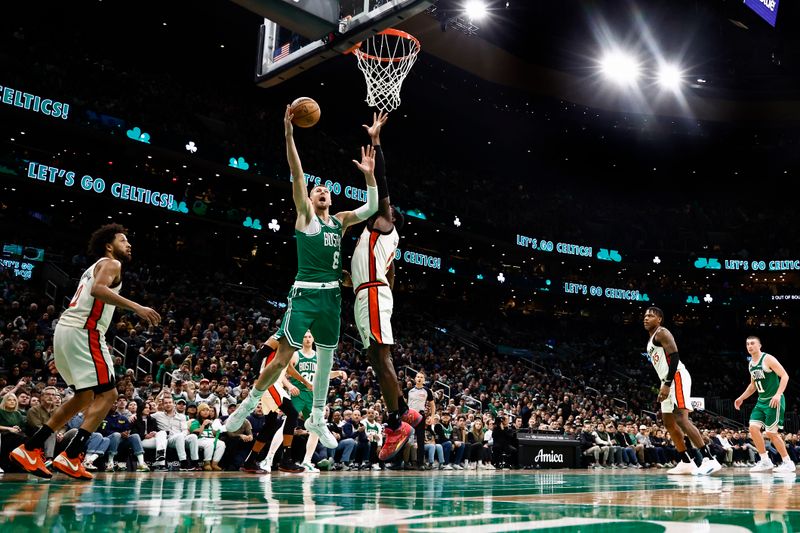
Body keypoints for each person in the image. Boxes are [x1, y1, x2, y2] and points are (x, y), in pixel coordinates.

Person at [225, 106, 379, 451]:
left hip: (332, 298)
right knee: (280, 358)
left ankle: (318, 417)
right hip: (305, 294)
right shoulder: (306, 217)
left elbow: (370, 209)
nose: (323, 191)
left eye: (326, 190)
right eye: (317, 190)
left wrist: (369, 175)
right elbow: (297, 174)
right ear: (309, 199)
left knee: (326, 360)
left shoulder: (339, 221)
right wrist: (289, 133)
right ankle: (247, 405)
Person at [10, 224, 161, 479]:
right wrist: (137, 307)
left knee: (84, 396)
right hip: (84, 330)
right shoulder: (112, 264)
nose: (129, 244)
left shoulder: (95, 267)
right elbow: (98, 290)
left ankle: (32, 448)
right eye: (123, 240)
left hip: (66, 331)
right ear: (109, 246)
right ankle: (71, 455)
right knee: (110, 393)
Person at [344, 111, 420, 462]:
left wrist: (376, 142)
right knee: (375, 355)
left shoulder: (385, 225)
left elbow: (384, 188)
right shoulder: (373, 238)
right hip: (368, 291)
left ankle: (395, 424)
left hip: (373, 294)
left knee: (381, 354)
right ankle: (404, 410)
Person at [643, 306, 721, 476]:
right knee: (668, 423)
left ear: (659, 320)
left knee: (680, 418)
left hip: (676, 377)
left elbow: (675, 356)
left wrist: (667, 383)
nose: (646, 318)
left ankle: (709, 458)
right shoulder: (650, 339)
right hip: (667, 380)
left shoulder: (662, 333)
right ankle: (686, 461)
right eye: (645, 316)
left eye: (650, 316)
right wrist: (664, 383)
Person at [286, 331, 348, 472]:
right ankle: (271, 457)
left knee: (315, 428)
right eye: (304, 337)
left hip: (312, 395)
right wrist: (290, 386)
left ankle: (306, 461)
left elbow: (325, 374)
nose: (307, 339)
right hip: (299, 393)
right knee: (287, 424)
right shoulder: (296, 354)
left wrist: (337, 373)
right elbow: (287, 371)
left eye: (309, 337)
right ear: (301, 339)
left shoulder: (318, 356)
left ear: (313, 339)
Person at [734, 336, 794, 473]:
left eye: (752, 343)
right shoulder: (751, 364)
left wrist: (778, 394)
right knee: (753, 428)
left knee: (771, 433)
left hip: (773, 400)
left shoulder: (768, 359)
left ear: (759, 345)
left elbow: (785, 376)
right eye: (747, 344)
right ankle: (765, 461)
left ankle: (787, 462)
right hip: (761, 401)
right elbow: (753, 385)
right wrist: (741, 398)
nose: (750, 346)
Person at [407, 371, 435, 470]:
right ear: (415, 379)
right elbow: (404, 404)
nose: (419, 378)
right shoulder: (409, 390)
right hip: (409, 417)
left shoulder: (427, 390)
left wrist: (432, 416)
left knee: (420, 440)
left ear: (424, 380)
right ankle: (404, 462)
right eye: (418, 377)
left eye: (421, 377)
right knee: (406, 439)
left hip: (420, 416)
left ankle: (421, 463)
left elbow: (432, 405)